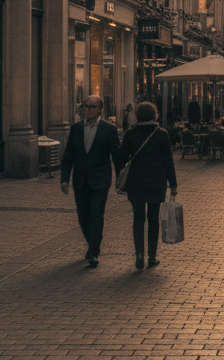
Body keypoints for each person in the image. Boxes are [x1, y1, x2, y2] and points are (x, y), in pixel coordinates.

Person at [60, 95, 125, 267]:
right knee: (83, 215)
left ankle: (94, 251)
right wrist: (64, 179)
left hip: (100, 179)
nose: (88, 109)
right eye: (85, 106)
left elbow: (116, 156)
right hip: (80, 179)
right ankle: (92, 244)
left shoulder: (109, 129)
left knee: (96, 214)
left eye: (92, 106)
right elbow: (68, 156)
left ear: (100, 109)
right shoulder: (75, 129)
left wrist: (121, 178)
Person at [115, 101, 178, 270]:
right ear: (154, 115)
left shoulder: (130, 134)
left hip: (136, 182)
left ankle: (139, 255)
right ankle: (152, 256)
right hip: (157, 182)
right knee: (153, 219)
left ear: (137, 115)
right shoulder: (162, 134)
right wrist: (173, 184)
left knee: (138, 218)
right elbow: (168, 161)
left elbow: (121, 158)